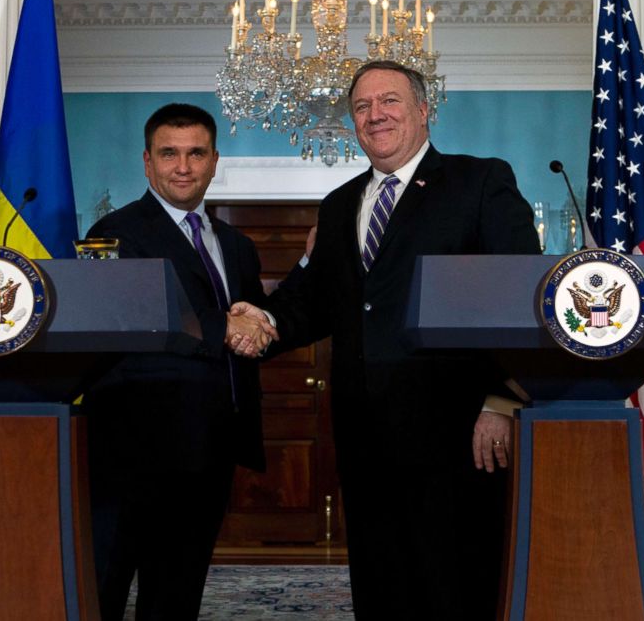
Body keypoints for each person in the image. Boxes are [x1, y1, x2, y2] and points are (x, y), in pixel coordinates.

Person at [230, 61, 540, 618]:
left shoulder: (480, 182)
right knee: (380, 582)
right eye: (363, 107)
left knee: (457, 582)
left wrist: (504, 398)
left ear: (423, 110)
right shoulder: (339, 203)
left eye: (390, 101)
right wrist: (263, 322)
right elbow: (318, 303)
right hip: (362, 431)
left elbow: (516, 295)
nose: (376, 116)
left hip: (459, 429)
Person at [82, 103, 276, 621]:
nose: (183, 166)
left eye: (196, 153)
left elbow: (249, 322)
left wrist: (265, 317)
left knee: (177, 596)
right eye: (170, 154)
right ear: (147, 162)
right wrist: (225, 328)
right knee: (101, 590)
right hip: (132, 453)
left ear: (215, 161)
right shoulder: (115, 234)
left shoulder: (236, 245)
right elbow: (135, 317)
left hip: (208, 451)